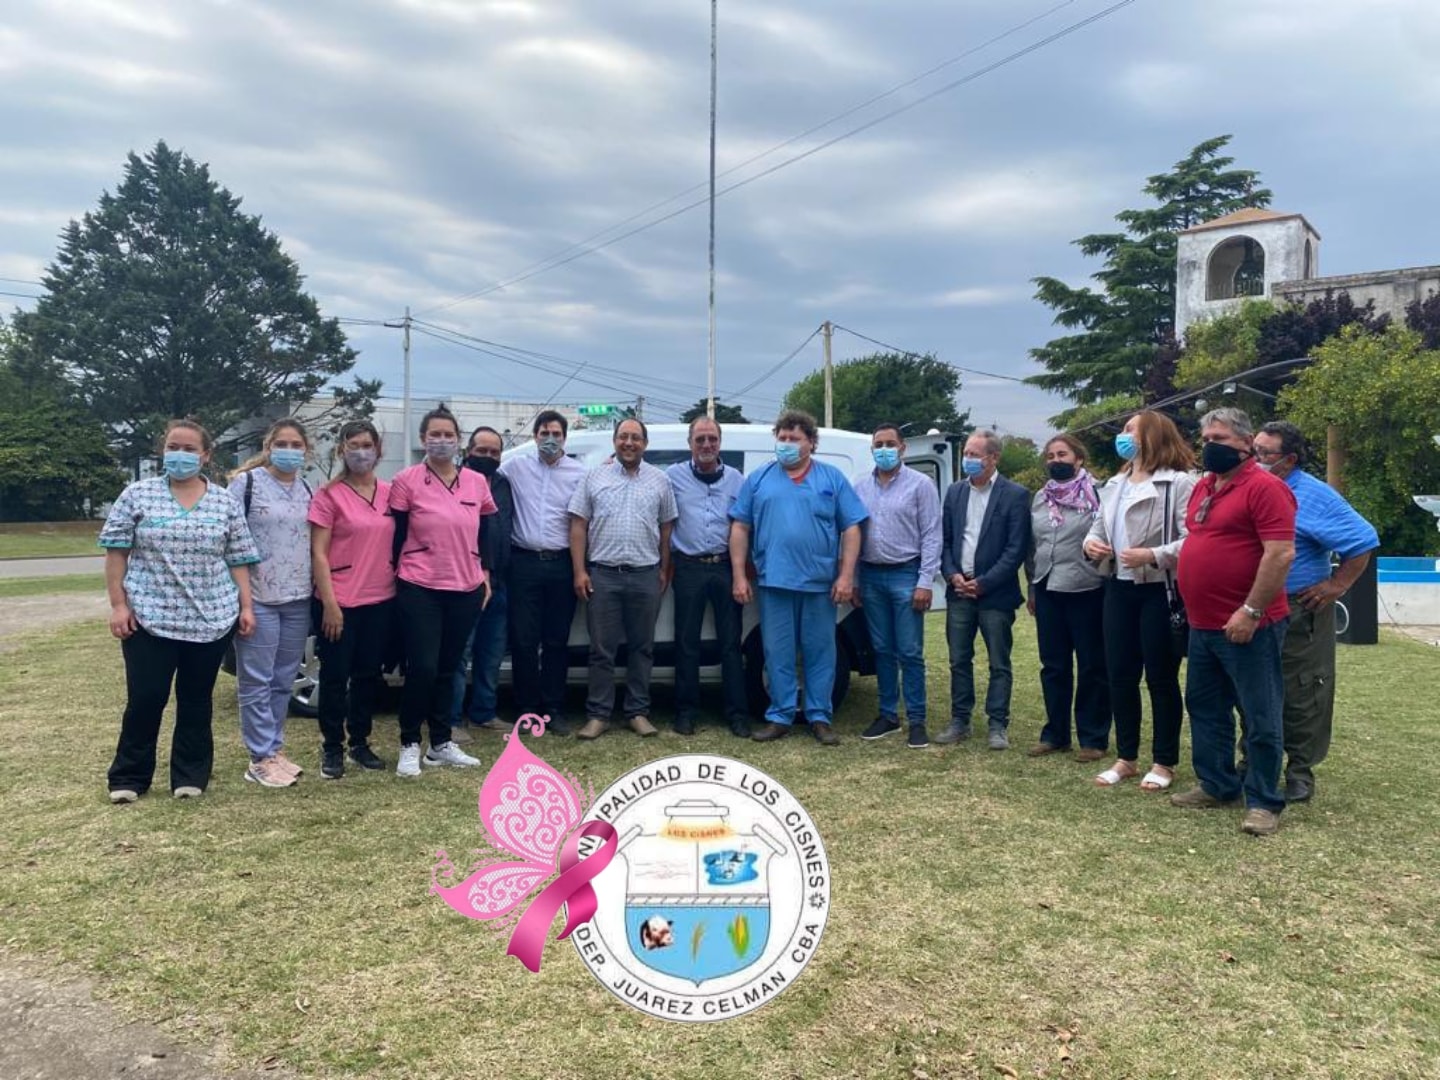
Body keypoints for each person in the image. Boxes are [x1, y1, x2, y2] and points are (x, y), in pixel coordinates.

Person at [100, 418, 259, 803]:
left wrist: (246, 606)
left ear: (206, 455)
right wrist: (119, 605)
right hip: (149, 617)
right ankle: (129, 777)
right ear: (163, 451)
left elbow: (238, 558)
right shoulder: (137, 495)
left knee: (196, 700)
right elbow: (117, 552)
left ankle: (190, 775)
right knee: (146, 698)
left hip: (210, 619)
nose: (180, 455)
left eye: (189, 449)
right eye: (174, 447)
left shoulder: (224, 501)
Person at [1172, 407, 1296, 837]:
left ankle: (1263, 801)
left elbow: (1280, 553)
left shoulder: (1266, 487)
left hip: (1250, 624)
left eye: (1220, 439)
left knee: (1260, 714)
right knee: (1205, 707)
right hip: (1203, 624)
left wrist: (1251, 610)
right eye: (1206, 439)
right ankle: (1218, 784)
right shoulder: (1205, 485)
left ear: (1245, 442)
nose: (1210, 446)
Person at [1252, 420, 1378, 804]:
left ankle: (1299, 770)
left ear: (1290, 459)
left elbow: (1362, 540)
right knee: (1255, 688)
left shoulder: (1311, 495)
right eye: (1253, 450)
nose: (1256, 459)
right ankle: (1253, 763)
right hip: (1253, 607)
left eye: (1265, 453)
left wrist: (1336, 585)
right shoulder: (1252, 487)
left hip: (1298, 608)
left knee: (1302, 691)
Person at [729, 409, 867, 745]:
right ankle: (780, 716)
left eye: (795, 438)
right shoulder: (759, 480)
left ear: (811, 443)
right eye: (782, 437)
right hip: (774, 582)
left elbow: (852, 527)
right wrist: (739, 576)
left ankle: (820, 717)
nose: (787, 443)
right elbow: (740, 527)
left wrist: (846, 576)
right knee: (777, 653)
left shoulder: (831, 479)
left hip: (820, 584)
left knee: (821, 652)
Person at [1082, 411, 1197, 789]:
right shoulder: (1114, 483)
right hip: (1118, 586)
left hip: (1158, 589)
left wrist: (1154, 555)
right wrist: (1091, 544)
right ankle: (1126, 757)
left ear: (1153, 435)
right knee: (1119, 675)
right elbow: (1097, 529)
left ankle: (1164, 761)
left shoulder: (1179, 483)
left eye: (1131, 429)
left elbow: (1195, 540)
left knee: (1161, 678)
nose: (1123, 435)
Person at [388, 406, 495, 777]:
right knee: (423, 667)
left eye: (449, 435)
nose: (442, 441)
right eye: (435, 434)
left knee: (450, 668)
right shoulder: (406, 480)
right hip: (420, 585)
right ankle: (409, 743)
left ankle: (440, 743)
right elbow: (397, 533)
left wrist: (484, 573)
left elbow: (485, 532)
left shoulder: (476, 482)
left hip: (465, 586)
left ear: (458, 440)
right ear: (423, 439)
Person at [569, 418, 678, 739]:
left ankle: (637, 712)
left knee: (642, 648)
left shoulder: (660, 480)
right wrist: (579, 571)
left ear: (645, 444)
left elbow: (667, 529)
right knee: (601, 650)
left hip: (646, 575)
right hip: (603, 576)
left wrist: (664, 569)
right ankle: (598, 715)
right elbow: (578, 525)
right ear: (615, 441)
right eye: (623, 437)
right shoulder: (593, 477)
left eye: (636, 438)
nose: (629, 443)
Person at [229, 418, 314, 789]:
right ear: (268, 446)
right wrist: (243, 601)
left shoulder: (307, 488)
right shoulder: (245, 485)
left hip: (297, 598)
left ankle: (274, 749)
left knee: (282, 680)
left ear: (306, 450)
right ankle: (259, 757)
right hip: (257, 597)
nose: (289, 450)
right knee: (256, 681)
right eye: (282, 443)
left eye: (296, 445)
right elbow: (229, 541)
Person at [308, 419, 394, 780]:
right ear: (342, 449)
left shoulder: (391, 493)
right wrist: (330, 604)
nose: (361, 452)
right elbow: (318, 553)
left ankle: (360, 742)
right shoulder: (328, 495)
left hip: (381, 598)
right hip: (339, 600)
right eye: (353, 445)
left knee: (367, 675)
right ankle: (332, 747)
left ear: (378, 450)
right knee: (334, 676)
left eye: (367, 445)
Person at [938, 429, 1031, 750]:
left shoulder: (1015, 495)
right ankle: (959, 720)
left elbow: (1016, 549)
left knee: (998, 663)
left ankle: (997, 724)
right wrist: (952, 575)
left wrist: (984, 582)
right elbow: (945, 541)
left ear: (993, 458)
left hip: (995, 595)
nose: (968, 459)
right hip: (959, 591)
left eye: (975, 454)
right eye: (966, 453)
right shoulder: (954, 492)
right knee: (958, 660)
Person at [852, 422, 942, 749]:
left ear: (903, 448)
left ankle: (917, 720)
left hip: (907, 573)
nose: (884, 450)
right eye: (879, 445)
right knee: (882, 650)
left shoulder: (921, 484)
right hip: (871, 575)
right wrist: (856, 579)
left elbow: (932, 534)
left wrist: (925, 581)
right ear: (872, 449)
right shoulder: (860, 486)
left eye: (890, 444)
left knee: (910, 651)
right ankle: (888, 715)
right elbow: (854, 534)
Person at [500, 410, 586, 735]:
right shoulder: (515, 467)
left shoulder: (580, 472)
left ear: (565, 438)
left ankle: (553, 708)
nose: (550, 439)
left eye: (556, 434)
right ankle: (526, 709)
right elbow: (484, 477)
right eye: (544, 433)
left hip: (561, 564)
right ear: (534, 436)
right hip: (523, 563)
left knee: (556, 640)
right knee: (523, 640)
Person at [1024, 434, 1110, 761]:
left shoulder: (1099, 493)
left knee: (1091, 665)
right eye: (1050, 456)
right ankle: (1055, 735)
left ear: (1079, 459)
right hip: (1048, 587)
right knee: (1053, 665)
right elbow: (1033, 546)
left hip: (1086, 587)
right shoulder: (1040, 498)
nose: (1055, 460)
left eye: (1062, 454)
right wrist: (1033, 587)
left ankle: (1093, 738)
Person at [665, 416, 750, 738]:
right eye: (699, 439)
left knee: (731, 643)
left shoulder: (736, 480)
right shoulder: (672, 476)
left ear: (720, 442)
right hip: (688, 567)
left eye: (712, 438)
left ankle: (737, 714)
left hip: (725, 566)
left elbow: (744, 525)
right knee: (686, 642)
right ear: (689, 443)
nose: (706, 444)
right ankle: (686, 712)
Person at [447, 426, 515, 741]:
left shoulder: (503, 484)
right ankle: (450, 719)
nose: (488, 457)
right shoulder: (454, 481)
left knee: (492, 652)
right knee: (459, 652)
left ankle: (484, 713)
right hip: (465, 581)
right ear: (468, 451)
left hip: (499, 582)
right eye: (482, 451)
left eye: (494, 452)